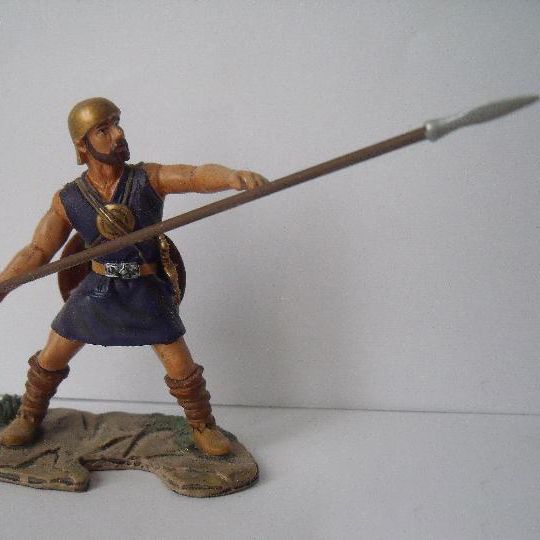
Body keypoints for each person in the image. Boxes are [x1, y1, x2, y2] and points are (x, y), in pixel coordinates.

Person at [0, 97, 267, 456]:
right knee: (52, 356)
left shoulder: (147, 179)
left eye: (117, 123)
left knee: (180, 365)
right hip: (97, 289)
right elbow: (37, 250)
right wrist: (4, 284)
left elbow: (193, 176)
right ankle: (29, 415)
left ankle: (202, 425)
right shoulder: (69, 199)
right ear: (83, 144)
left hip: (145, 288)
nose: (118, 134)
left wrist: (231, 177)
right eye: (104, 129)